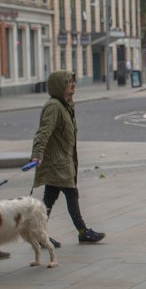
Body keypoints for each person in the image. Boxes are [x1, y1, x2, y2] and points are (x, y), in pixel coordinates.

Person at [31, 71, 105, 246]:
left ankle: (39, 234)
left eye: (73, 82)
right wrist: (37, 154)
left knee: (50, 197)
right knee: (71, 194)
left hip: (63, 160)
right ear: (59, 86)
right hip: (57, 162)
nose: (72, 85)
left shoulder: (66, 105)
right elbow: (43, 132)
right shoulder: (54, 107)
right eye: (68, 82)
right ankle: (82, 232)